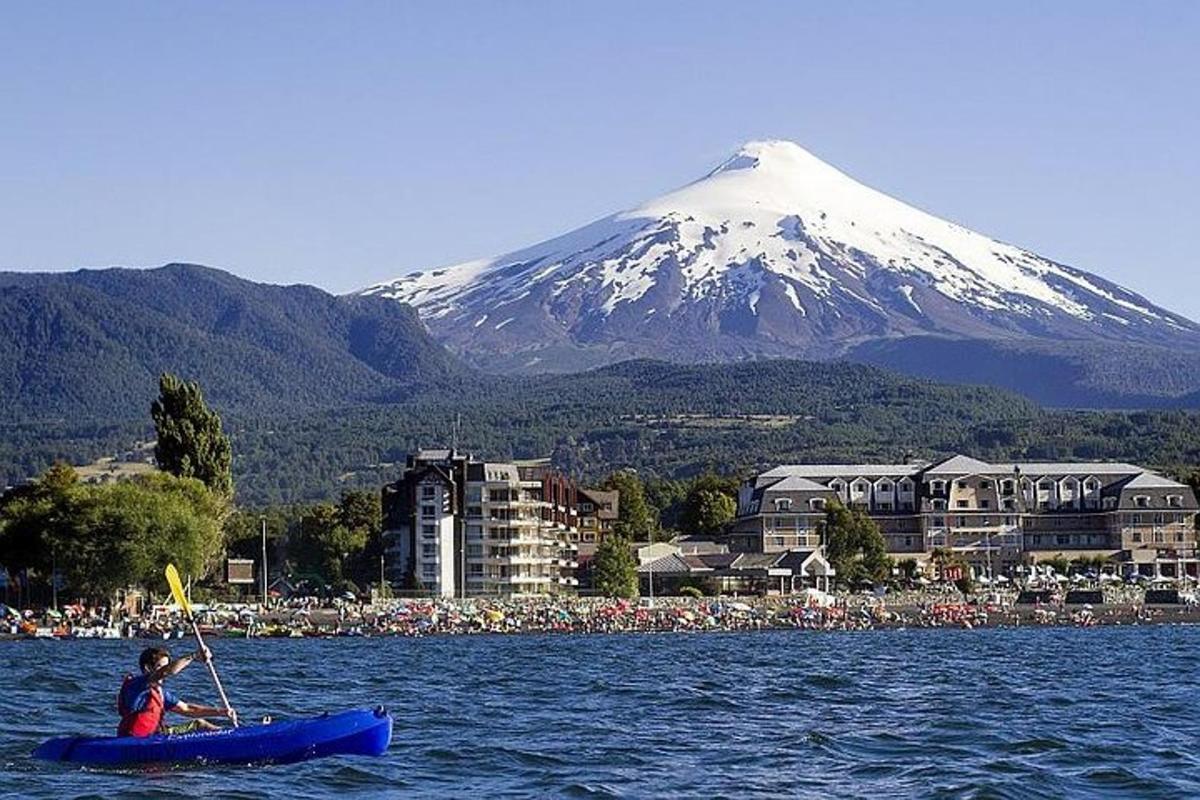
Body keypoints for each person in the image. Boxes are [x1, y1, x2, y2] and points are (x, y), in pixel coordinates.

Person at [116, 646, 237, 737]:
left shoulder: (160, 693)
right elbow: (167, 671)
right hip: (133, 740)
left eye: (166, 665)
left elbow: (188, 709)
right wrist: (194, 656)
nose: (164, 673)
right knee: (199, 725)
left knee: (199, 724)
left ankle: (231, 738)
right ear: (148, 668)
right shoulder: (137, 684)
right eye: (160, 666)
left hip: (155, 736)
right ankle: (232, 740)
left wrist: (222, 712)